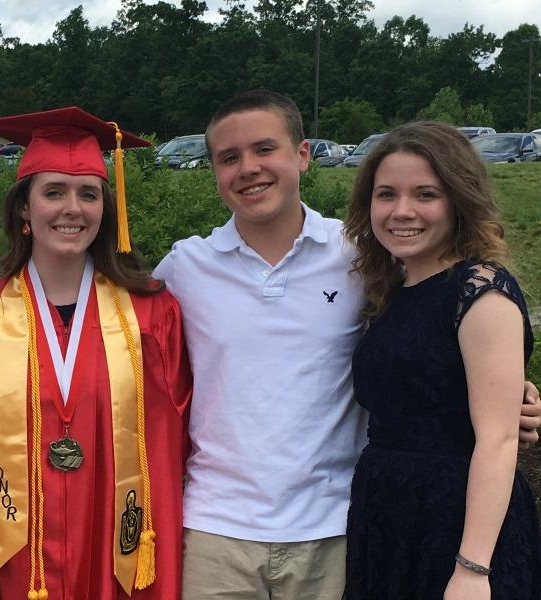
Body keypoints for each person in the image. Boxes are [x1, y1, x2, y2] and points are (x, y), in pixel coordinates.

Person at [152, 90, 541, 599]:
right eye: (229, 157)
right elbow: (116, 347)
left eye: (264, 149)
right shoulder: (185, 268)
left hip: (335, 525)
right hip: (217, 528)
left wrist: (509, 396)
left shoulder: (362, 257)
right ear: (214, 171)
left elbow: (442, 325)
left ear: (303, 154)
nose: (248, 168)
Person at [0, 107, 192, 600]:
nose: (72, 209)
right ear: (24, 207)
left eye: (88, 194)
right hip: (12, 552)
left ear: (107, 208)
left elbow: (171, 443)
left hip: (111, 537)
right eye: (53, 192)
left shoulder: (150, 314)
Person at [342, 121, 541, 599]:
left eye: (425, 194)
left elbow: (497, 439)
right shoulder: (391, 288)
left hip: (458, 521)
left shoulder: (478, 290)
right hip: (386, 512)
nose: (401, 211)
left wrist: (473, 568)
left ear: (458, 199)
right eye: (386, 194)